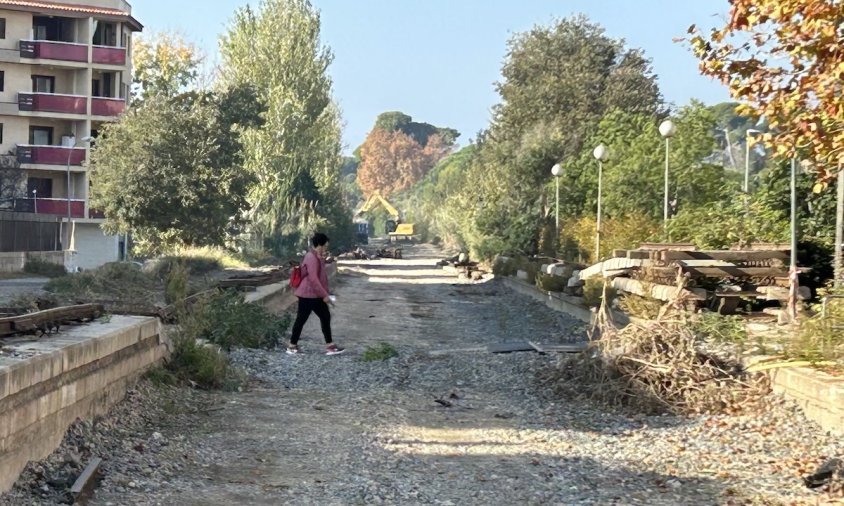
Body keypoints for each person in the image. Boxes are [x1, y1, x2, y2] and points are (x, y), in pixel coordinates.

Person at [287, 233, 345, 355]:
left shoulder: (315, 256)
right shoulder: (311, 257)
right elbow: (313, 279)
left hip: (314, 294)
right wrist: (325, 295)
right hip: (309, 295)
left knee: (324, 317)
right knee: (302, 319)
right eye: (324, 246)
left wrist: (322, 259)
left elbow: (319, 274)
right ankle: (292, 346)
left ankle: (330, 346)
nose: (326, 249)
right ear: (319, 244)